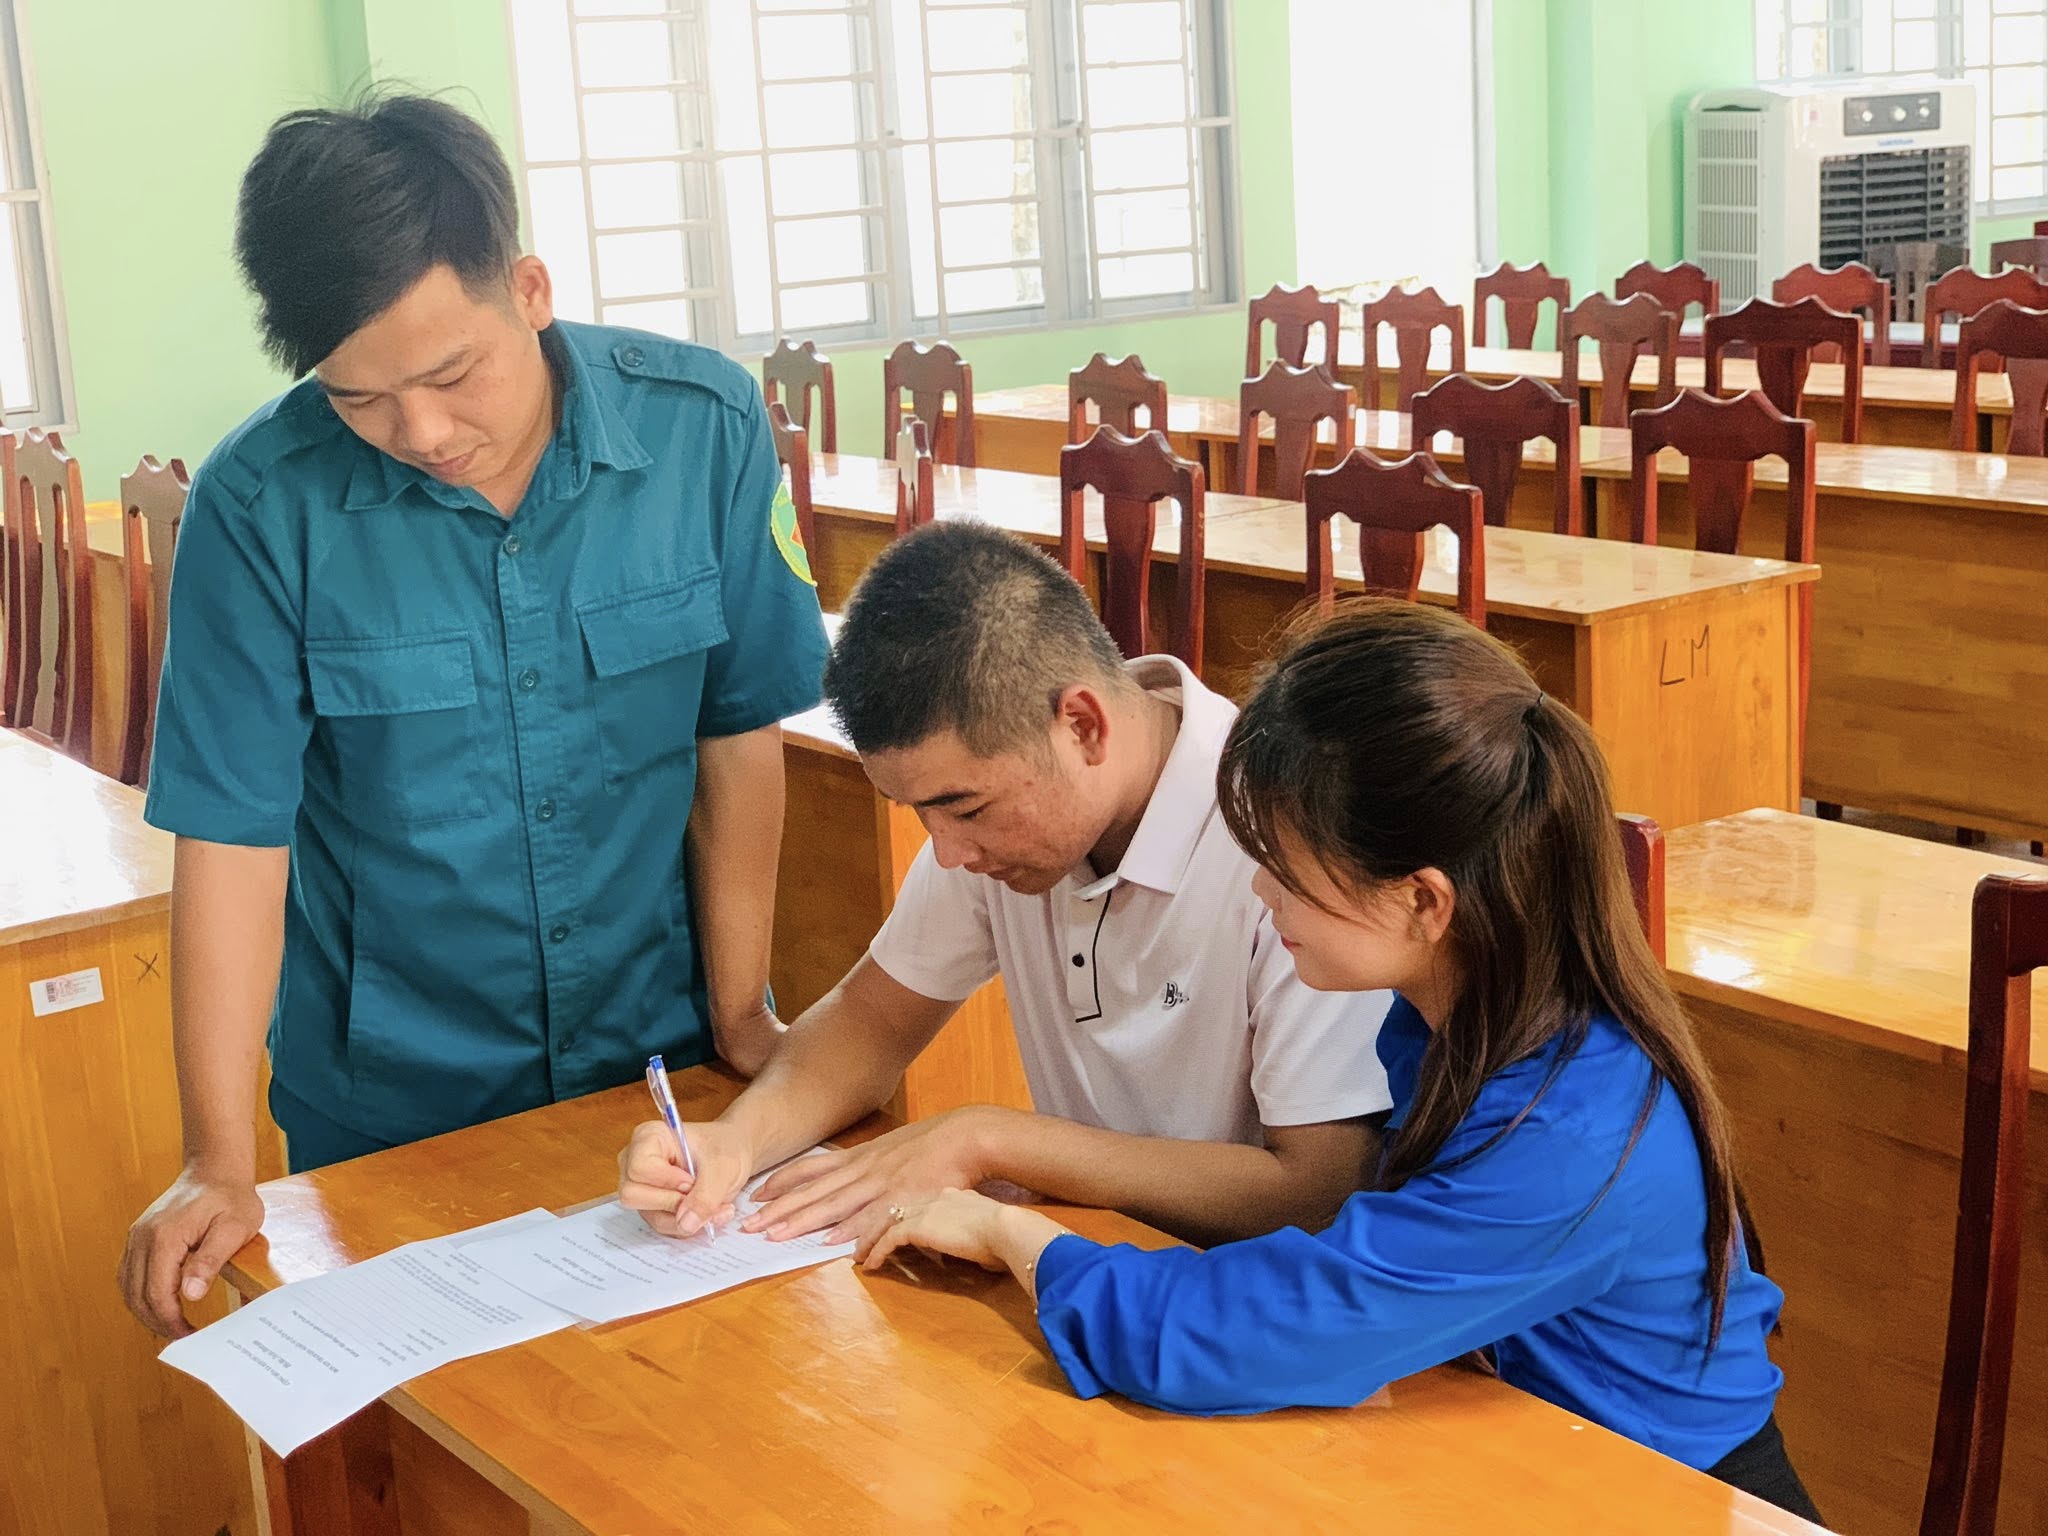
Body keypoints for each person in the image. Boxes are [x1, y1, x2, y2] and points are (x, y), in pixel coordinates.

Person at [859, 599, 1823, 1524]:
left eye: (1284, 867)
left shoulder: (1570, 1134)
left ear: (1422, 902)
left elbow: (1255, 1331)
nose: (1261, 894)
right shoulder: (1458, 1007)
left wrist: (1013, 1239)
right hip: (1532, 1460)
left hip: (1674, 1497)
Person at [118, 93, 828, 1339]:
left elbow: (738, 734)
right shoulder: (259, 505)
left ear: (530, 289)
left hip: (649, 1083)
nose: (423, 433)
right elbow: (233, 838)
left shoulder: (703, 429)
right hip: (388, 1109)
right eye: (360, 401)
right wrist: (216, 1156)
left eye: (451, 374)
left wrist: (739, 1010)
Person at [618, 522, 1392, 1251]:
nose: (947, 854)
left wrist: (991, 1138)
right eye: (919, 813)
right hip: (1084, 1264)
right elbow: (872, 1020)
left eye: (964, 808)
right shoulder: (1005, 836)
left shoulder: (1287, 837)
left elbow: (1317, 1188)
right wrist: (733, 1142)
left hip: (1253, 1312)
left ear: (1082, 726)